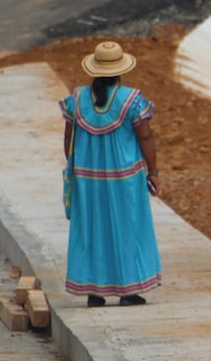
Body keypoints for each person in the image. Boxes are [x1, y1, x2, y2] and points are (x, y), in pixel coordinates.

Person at [60, 40, 161, 307]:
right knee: (127, 227)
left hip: (87, 179)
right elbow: (146, 137)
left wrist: (76, 167)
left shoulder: (77, 99)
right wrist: (153, 171)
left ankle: (95, 293)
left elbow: (69, 138)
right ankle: (128, 291)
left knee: (93, 229)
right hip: (124, 179)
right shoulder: (132, 100)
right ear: (120, 71)